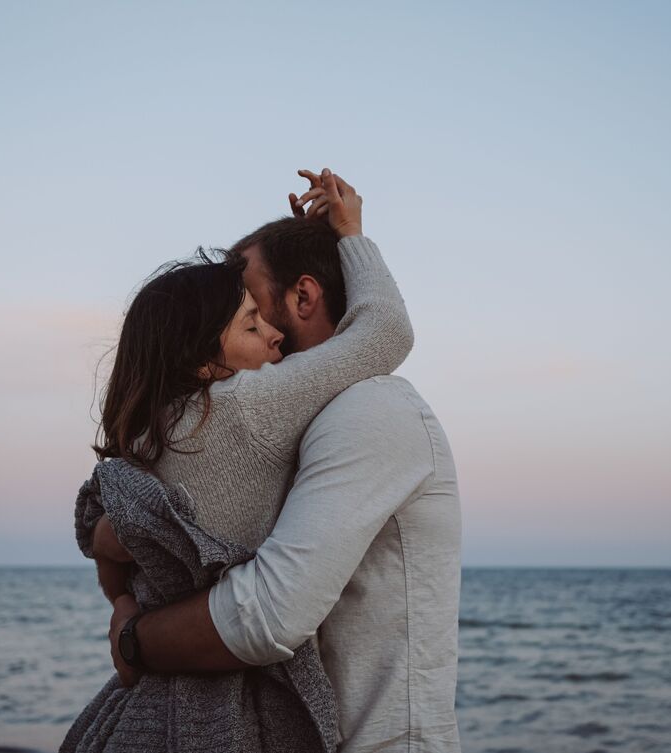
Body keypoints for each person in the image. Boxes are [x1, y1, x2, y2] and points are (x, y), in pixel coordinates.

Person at [92, 170, 463, 752]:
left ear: (304, 296)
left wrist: (132, 634)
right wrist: (351, 234)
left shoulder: (373, 407)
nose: (258, 326)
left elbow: (269, 611)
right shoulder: (259, 416)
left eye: (249, 298)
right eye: (243, 319)